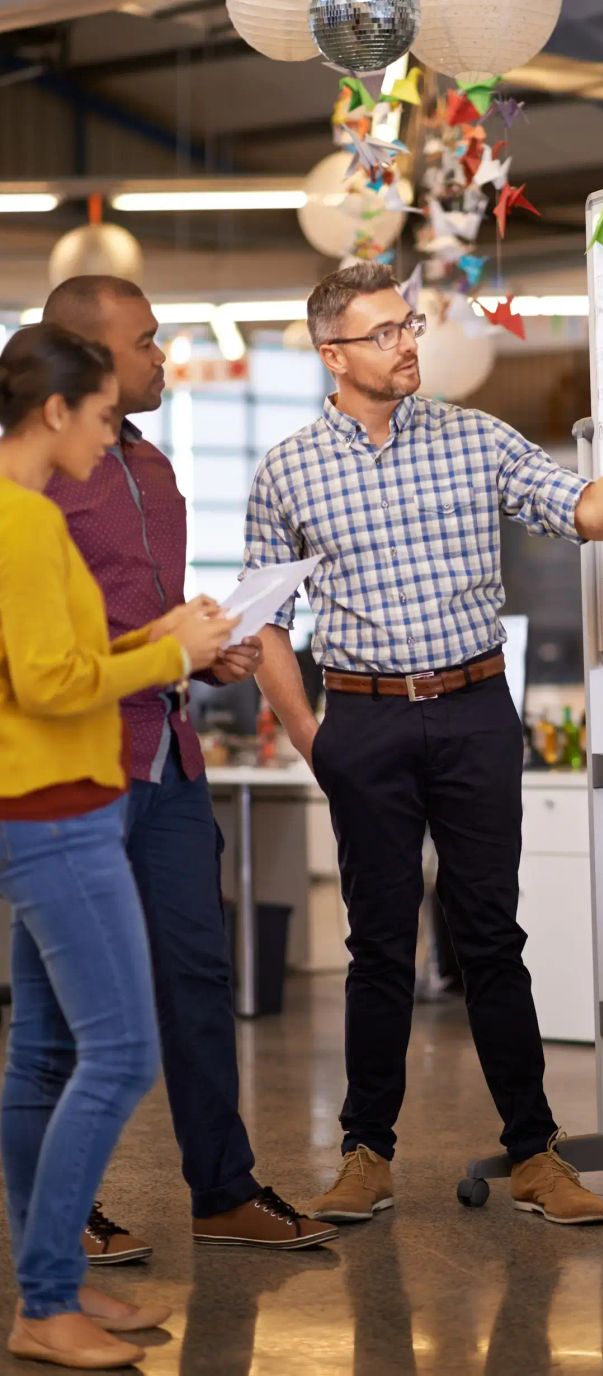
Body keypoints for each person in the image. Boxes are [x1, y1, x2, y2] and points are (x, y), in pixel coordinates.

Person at [246, 262, 603, 1228]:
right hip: (364, 717)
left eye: (410, 324)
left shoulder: (476, 438)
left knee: (489, 937)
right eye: (383, 332)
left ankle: (534, 1153)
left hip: (471, 711)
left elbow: (586, 514)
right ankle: (364, 1154)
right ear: (331, 352)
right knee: (377, 945)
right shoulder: (287, 469)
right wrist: (311, 735)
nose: (407, 343)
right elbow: (264, 617)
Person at [43, 275, 337, 1256]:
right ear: (89, 358)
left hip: (167, 754)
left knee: (197, 974)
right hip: (79, 759)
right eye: (146, 341)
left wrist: (215, 647)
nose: (162, 356)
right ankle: (59, 1205)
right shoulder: (35, 477)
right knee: (60, 991)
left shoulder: (157, 467)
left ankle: (222, 1188)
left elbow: (143, 615)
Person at [0, 323, 235, 1368]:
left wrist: (156, 638)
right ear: (55, 412)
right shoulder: (21, 520)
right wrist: (166, 658)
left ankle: (52, 1276)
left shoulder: (22, 517)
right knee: (123, 1050)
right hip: (54, 810)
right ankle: (45, 1300)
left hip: (57, 802)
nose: (112, 436)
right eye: (102, 417)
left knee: (46, 1053)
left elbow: (63, 656)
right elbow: (47, 686)